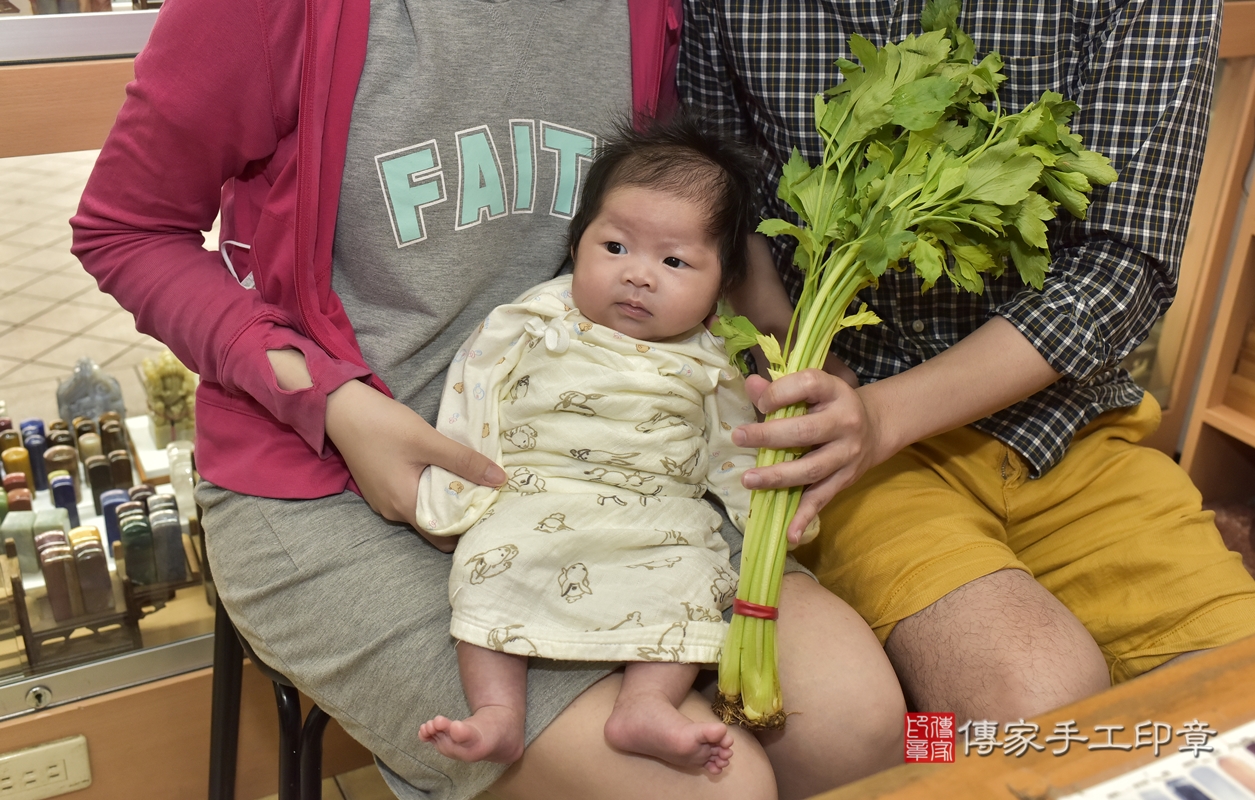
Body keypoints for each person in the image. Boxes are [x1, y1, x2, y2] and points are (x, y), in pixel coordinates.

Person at [69, 0, 906, 796]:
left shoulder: (653, 13)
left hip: (619, 456)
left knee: (855, 730)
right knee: (707, 787)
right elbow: (125, 229)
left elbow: (688, 220)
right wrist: (335, 405)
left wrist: (781, 349)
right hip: (331, 482)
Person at [679, 0, 1255, 725]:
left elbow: (1120, 267)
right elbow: (719, 179)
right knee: (1033, 706)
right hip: (849, 433)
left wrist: (883, 417)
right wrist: (782, 327)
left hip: (1067, 422)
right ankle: (929, 749)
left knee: (1232, 712)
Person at [417, 119, 779, 774]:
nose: (638, 276)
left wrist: (763, 523)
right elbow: (475, 390)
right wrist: (453, 499)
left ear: (721, 281)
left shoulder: (712, 357)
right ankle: (498, 712)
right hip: (534, 495)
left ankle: (644, 704)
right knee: (487, 565)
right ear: (575, 243)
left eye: (673, 262)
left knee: (692, 582)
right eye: (614, 246)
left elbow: (733, 445)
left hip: (656, 516)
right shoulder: (538, 317)